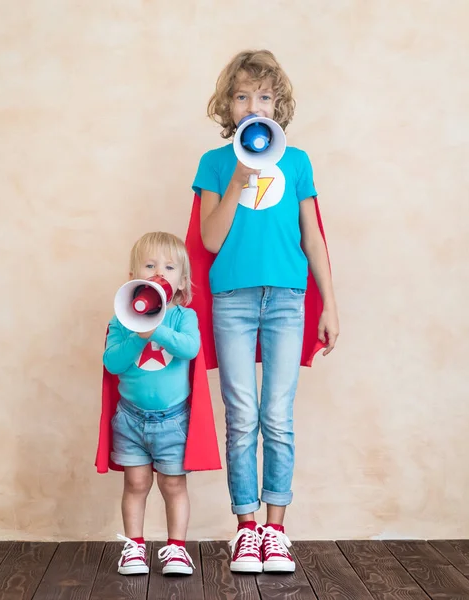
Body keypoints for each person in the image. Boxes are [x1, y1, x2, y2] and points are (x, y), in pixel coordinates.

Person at [188, 49, 339, 573]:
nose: (255, 105)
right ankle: (246, 530)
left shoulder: (296, 162)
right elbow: (209, 238)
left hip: (287, 300)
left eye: (266, 96)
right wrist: (237, 179)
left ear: (279, 106)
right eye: (243, 95)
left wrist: (330, 304)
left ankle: (276, 530)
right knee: (242, 416)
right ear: (227, 107)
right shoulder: (214, 164)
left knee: (277, 415)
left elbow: (313, 237)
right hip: (232, 299)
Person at [96, 231, 221, 576]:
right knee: (135, 484)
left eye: (168, 267)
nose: (159, 273)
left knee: (173, 484)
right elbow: (112, 363)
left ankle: (176, 549)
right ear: (134, 276)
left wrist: (156, 330)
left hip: (173, 422)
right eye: (150, 266)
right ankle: (134, 547)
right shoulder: (121, 318)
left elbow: (190, 348)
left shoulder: (183, 317)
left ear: (181, 283)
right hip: (131, 421)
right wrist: (138, 334)